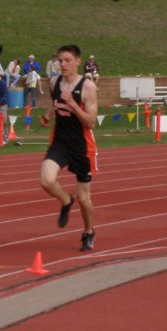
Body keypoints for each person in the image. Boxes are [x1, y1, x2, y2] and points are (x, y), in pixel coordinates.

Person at [39, 44, 99, 251]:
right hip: (60, 142)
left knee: (84, 199)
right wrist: (48, 114)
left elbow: (91, 122)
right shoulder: (54, 81)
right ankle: (65, 200)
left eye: (66, 60)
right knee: (46, 180)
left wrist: (73, 105)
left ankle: (88, 231)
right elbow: (55, 102)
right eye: (59, 60)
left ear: (77, 62)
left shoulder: (88, 87)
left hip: (82, 147)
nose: (62, 64)